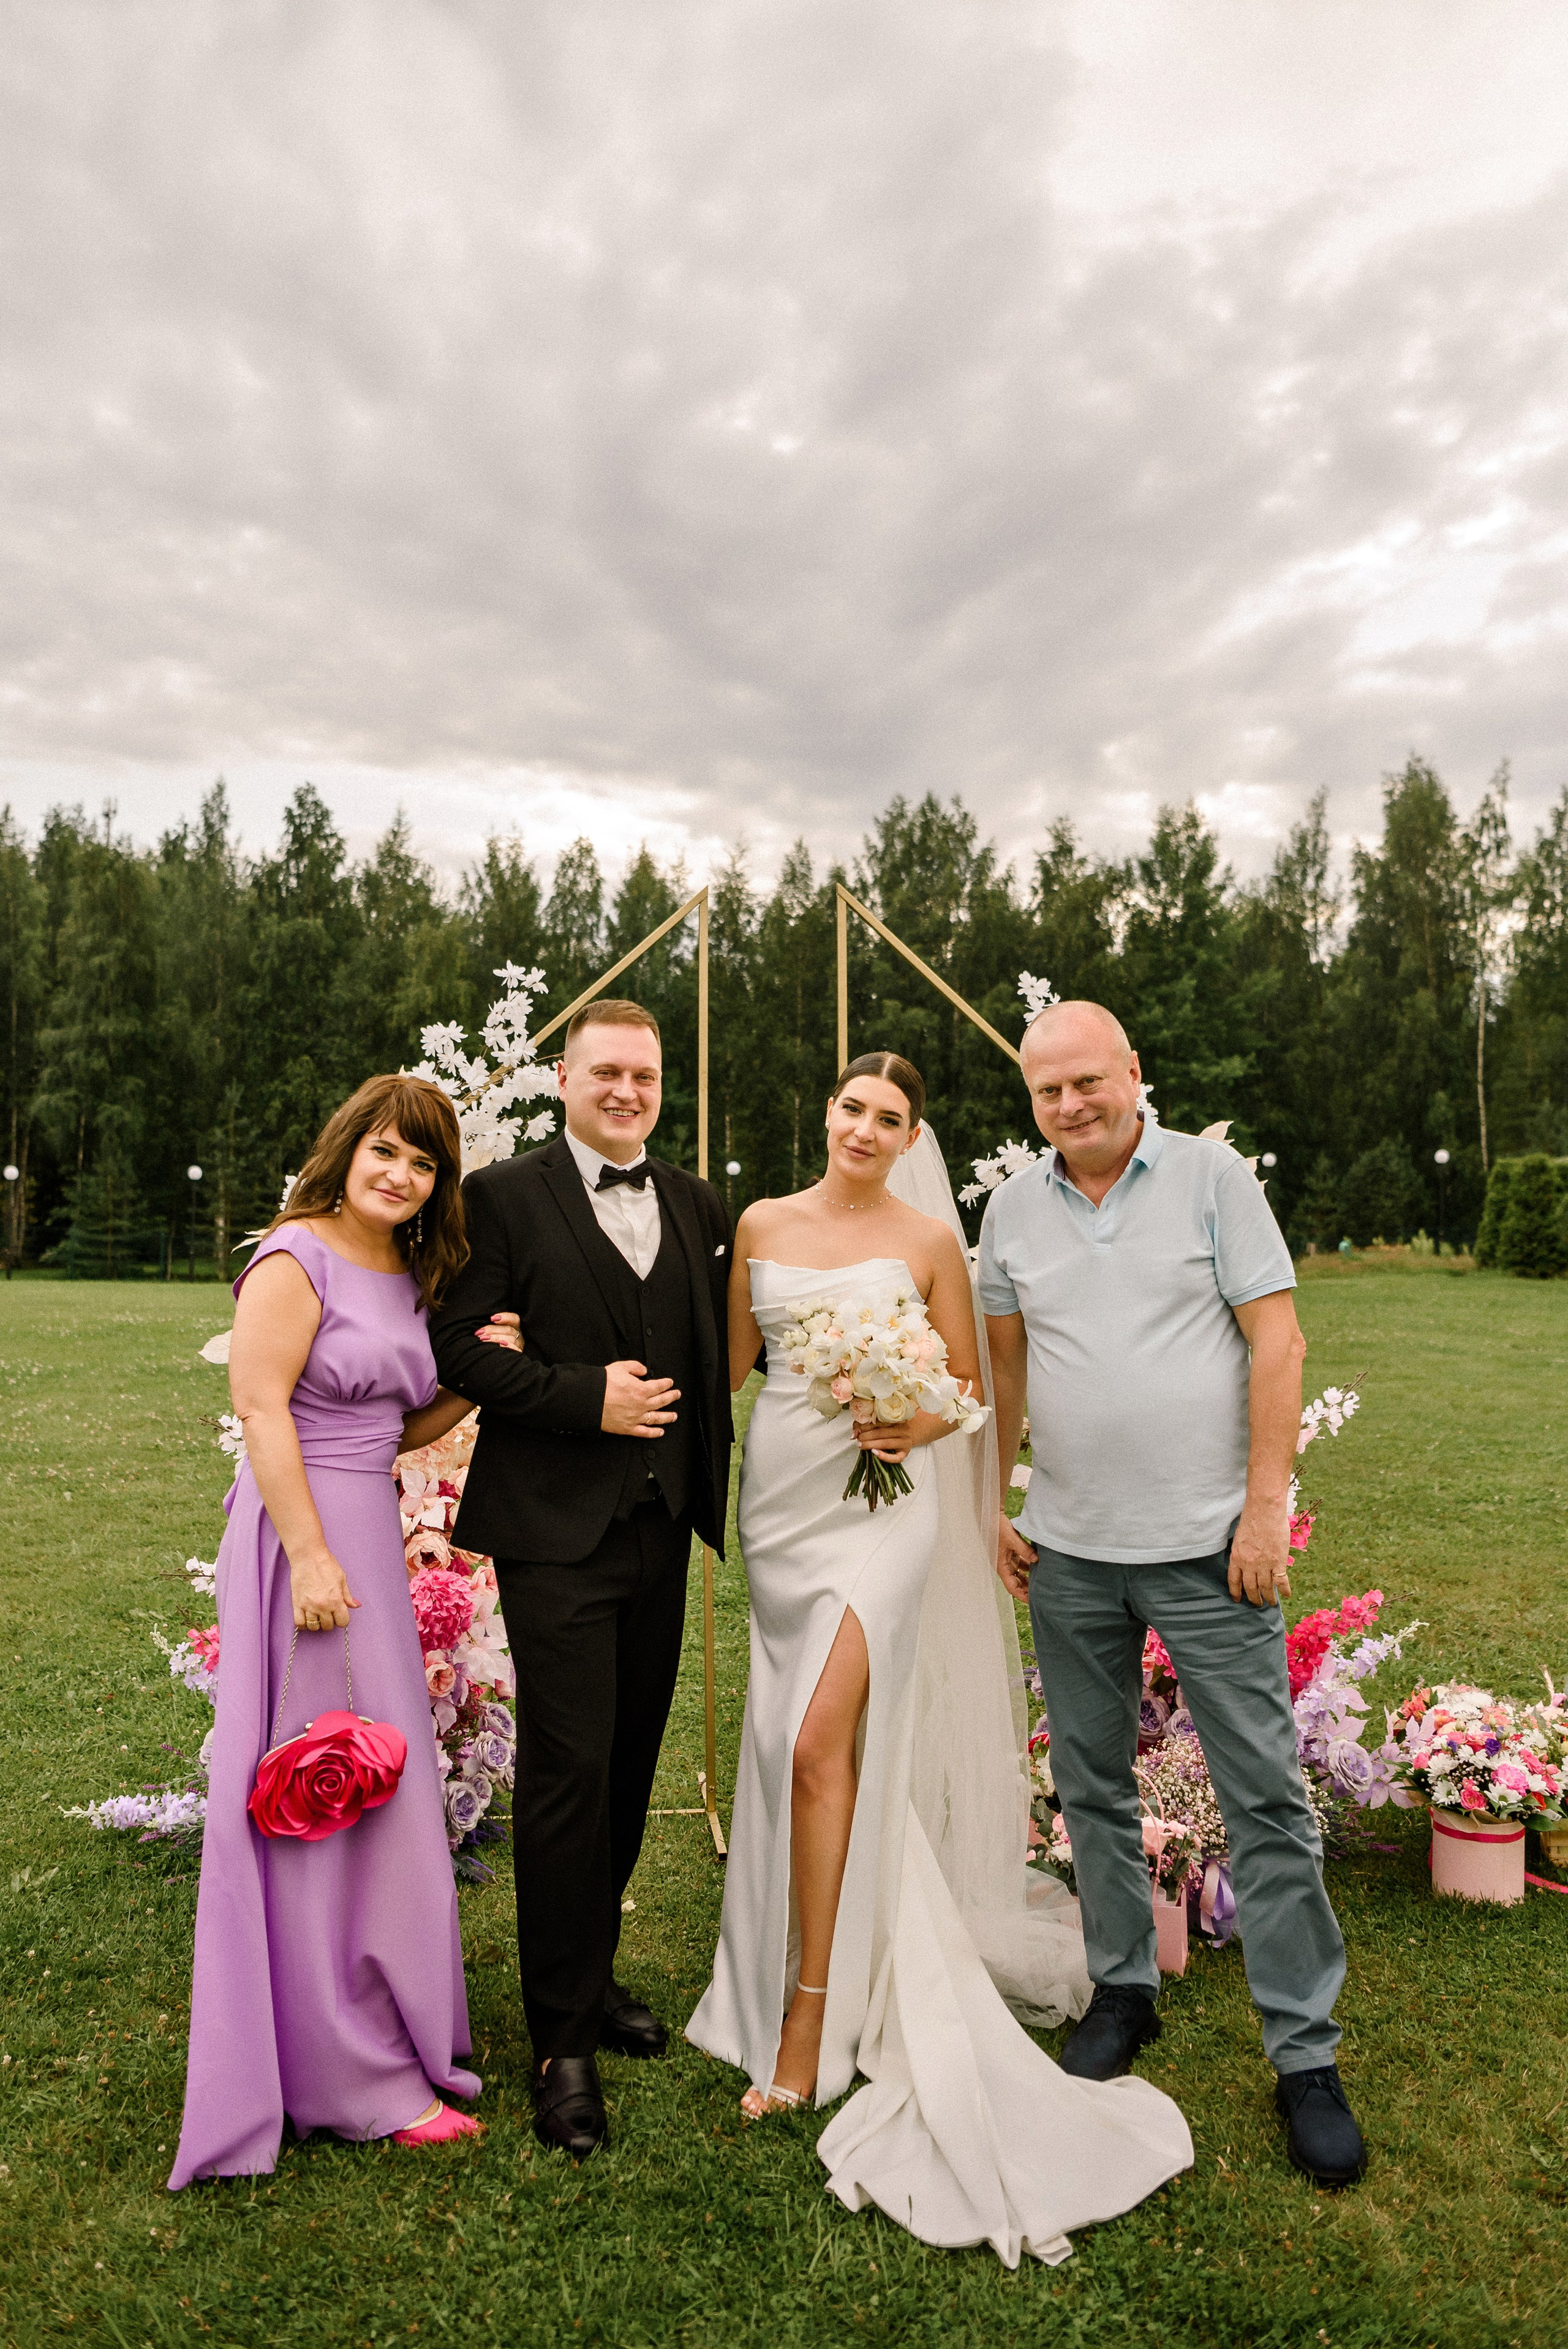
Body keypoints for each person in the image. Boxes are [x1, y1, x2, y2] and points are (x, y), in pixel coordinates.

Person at [686, 1052, 1193, 2268]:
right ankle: (780, 1972)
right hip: (783, 1511)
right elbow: (727, 1372)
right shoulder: (760, 1221)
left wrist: (905, 1412)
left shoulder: (924, 1241)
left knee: (818, 1741)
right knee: (783, 1739)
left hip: (883, 1519)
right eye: (852, 1108)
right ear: (824, 1113)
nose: (866, 1127)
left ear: (909, 1135)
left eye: (890, 1117)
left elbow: (967, 1392)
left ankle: (808, 2032)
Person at [981, 1000, 1366, 2189]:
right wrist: (994, 1496)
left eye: (1086, 1081)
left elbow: (1278, 1342)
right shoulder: (1010, 1209)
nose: (1068, 1105)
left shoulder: (1211, 1177)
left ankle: (1302, 2051)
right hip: (1070, 1553)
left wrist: (1262, 1508)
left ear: (1132, 1073)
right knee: (1088, 1785)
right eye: (1047, 1091)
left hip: (1209, 1551)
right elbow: (1003, 1365)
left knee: (1262, 1800)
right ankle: (1123, 1989)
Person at [170, 1074, 522, 2188]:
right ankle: (338, 2077)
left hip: (365, 1517)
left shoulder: (406, 1268)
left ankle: (383, 2030)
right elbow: (263, 1406)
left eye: (422, 1164)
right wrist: (312, 1554)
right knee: (316, 1785)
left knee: (381, 1782)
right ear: (347, 1149)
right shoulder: (295, 1254)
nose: (400, 1174)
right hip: (303, 1539)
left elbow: (390, 1416)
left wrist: (474, 1386)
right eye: (384, 1151)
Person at [429, 999, 733, 2160]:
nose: (626, 1091)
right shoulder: (502, 1198)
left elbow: (724, 1352)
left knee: (628, 1769)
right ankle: (560, 2041)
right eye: (605, 1071)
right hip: (555, 1530)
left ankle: (590, 1974)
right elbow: (456, 1347)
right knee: (569, 1770)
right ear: (564, 1076)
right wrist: (581, 1398)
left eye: (645, 1076)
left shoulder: (702, 1208)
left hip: (663, 1530)